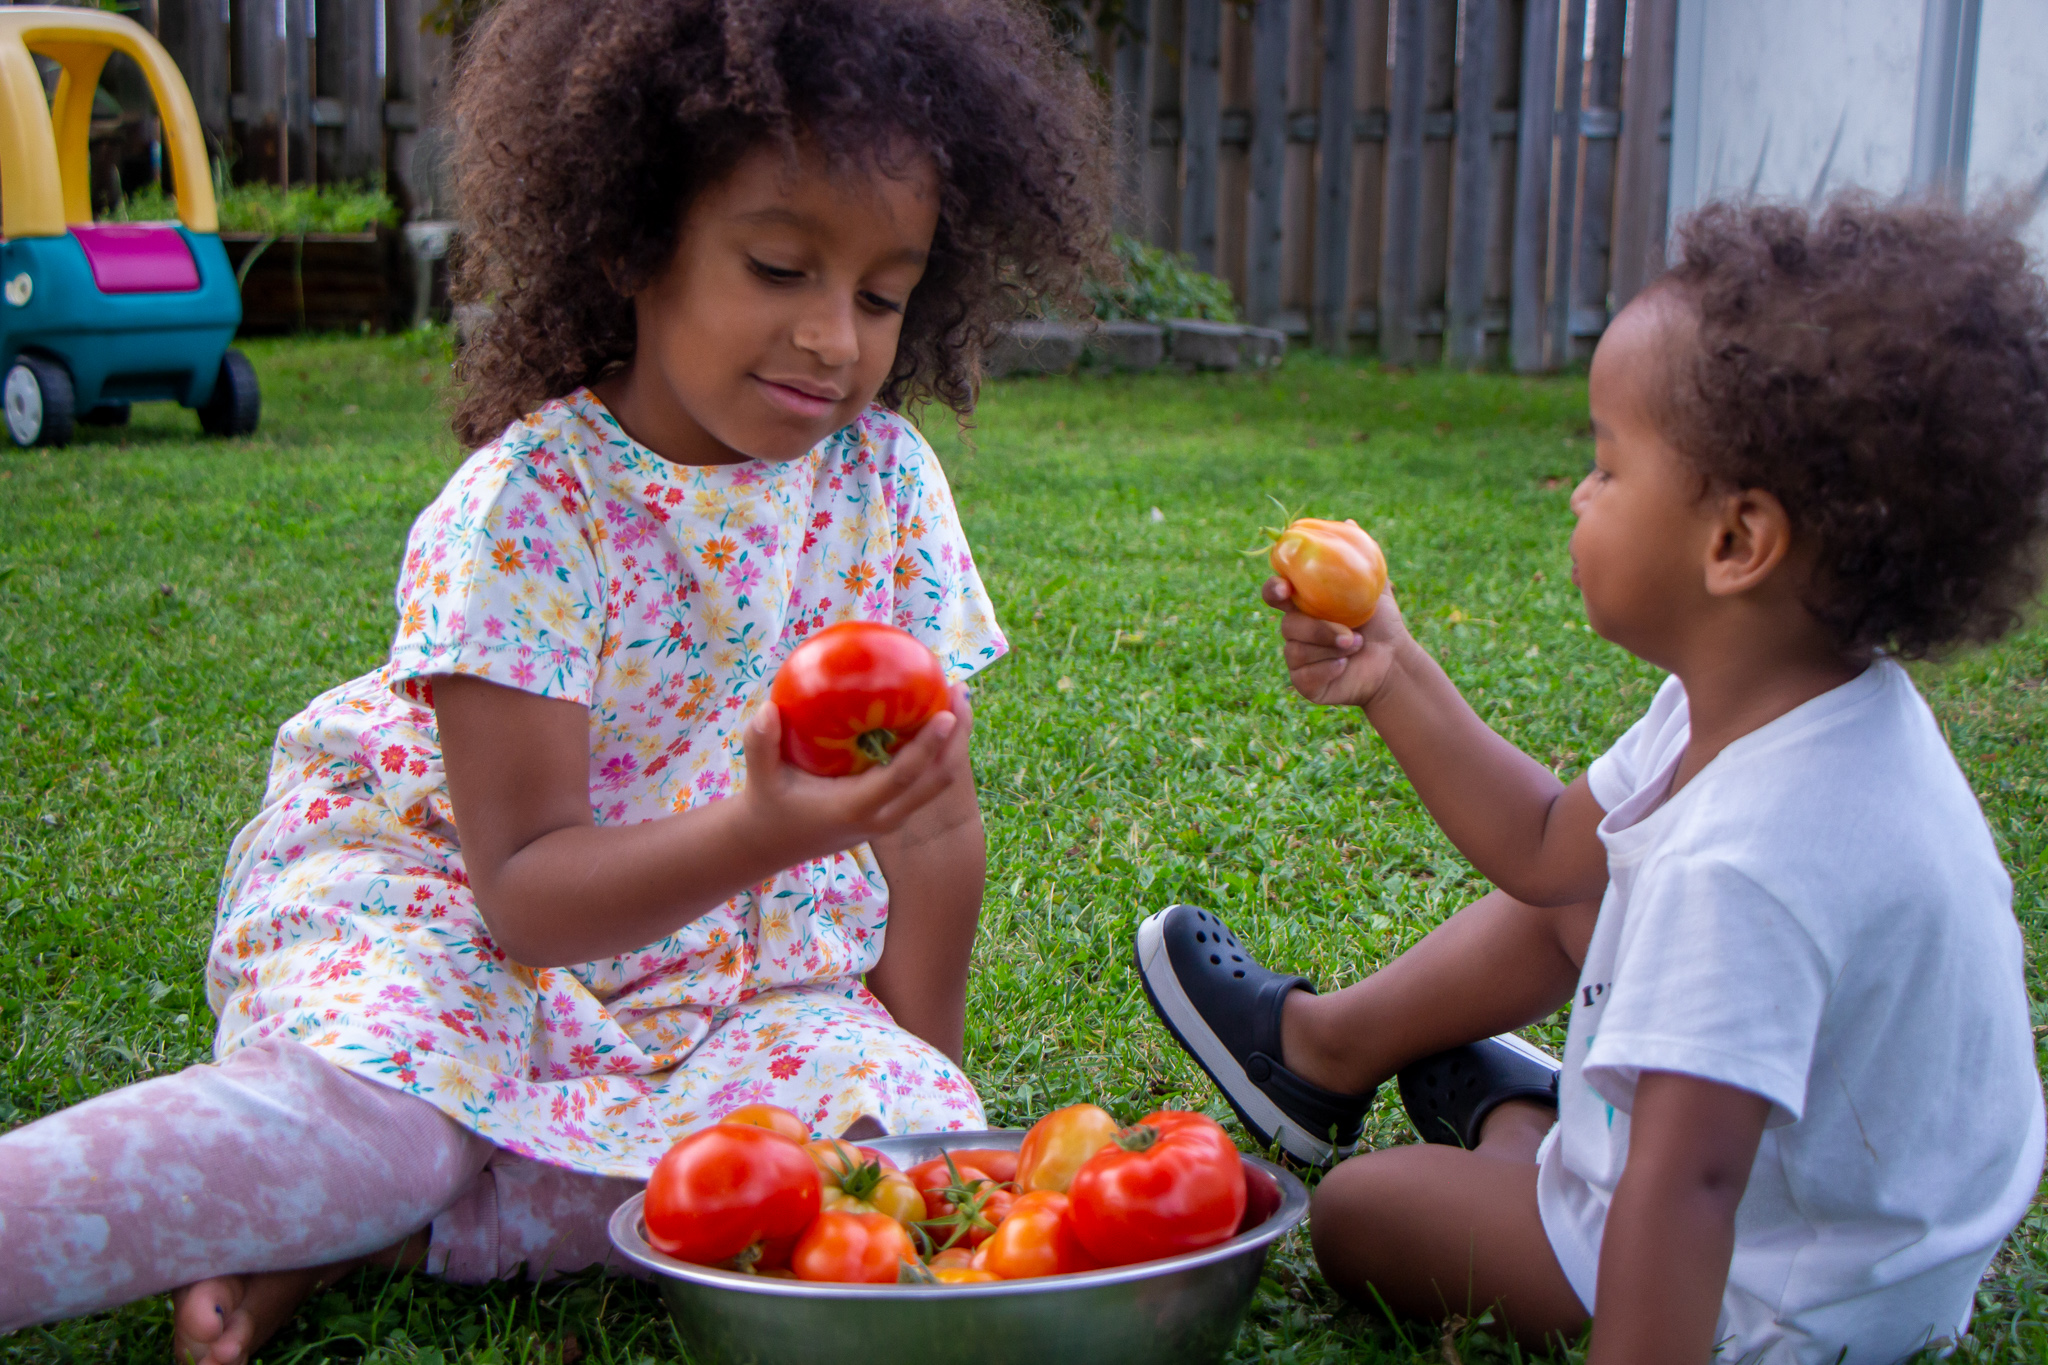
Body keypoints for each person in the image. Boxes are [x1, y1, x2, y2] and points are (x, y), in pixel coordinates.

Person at [0, 1, 1106, 1360]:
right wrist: (763, 830)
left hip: (724, 981)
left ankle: (344, 1229)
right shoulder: (529, 510)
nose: (834, 338)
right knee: (387, 1127)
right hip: (447, 899)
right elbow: (521, 894)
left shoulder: (885, 487)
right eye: (778, 267)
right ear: (633, 237)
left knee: (854, 1159)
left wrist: (923, 1104)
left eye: (882, 295)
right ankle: (327, 1185)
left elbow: (933, 823)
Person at [1136, 196, 2048, 1363]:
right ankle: (1350, 1061)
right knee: (1591, 889)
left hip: (1779, 1288)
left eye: (1605, 466)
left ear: (1734, 544)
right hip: (1871, 1214)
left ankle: (1525, 1123)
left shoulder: (1750, 867)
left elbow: (1686, 1201)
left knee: (1360, 1217)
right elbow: (1544, 850)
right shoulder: (1798, 700)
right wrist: (1392, 669)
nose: (1575, 492)